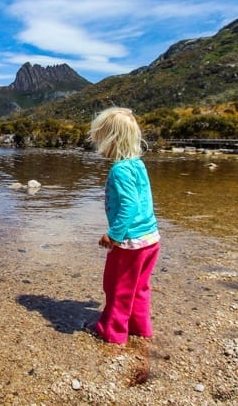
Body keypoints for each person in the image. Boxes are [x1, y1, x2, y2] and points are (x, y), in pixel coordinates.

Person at [88, 107, 160, 345]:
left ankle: (113, 333)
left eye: (99, 139)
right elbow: (142, 201)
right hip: (150, 239)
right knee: (139, 288)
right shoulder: (137, 164)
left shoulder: (119, 170)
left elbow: (129, 205)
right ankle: (140, 328)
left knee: (117, 287)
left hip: (130, 243)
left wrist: (113, 234)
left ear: (111, 140)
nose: (98, 145)